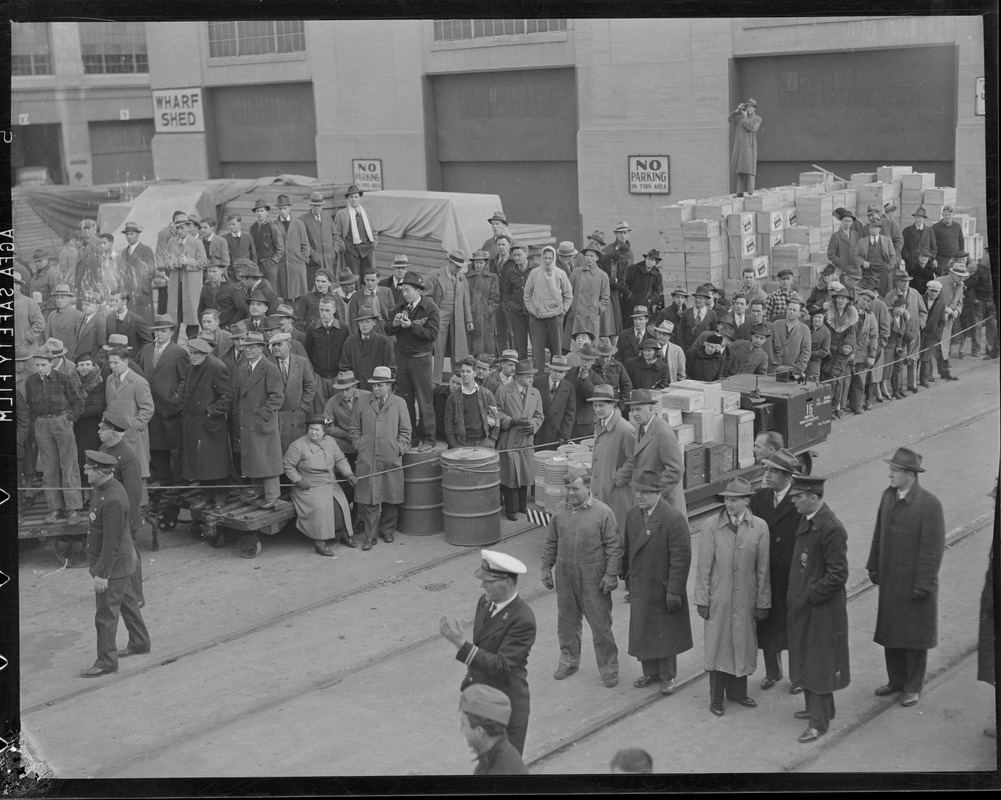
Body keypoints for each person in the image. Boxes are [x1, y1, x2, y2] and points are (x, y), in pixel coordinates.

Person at [866, 447, 945, 708]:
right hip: (891, 581)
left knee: (913, 638)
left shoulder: (929, 504)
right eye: (891, 469)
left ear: (910, 475)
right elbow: (879, 533)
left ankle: (912, 687)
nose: (890, 474)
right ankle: (896, 681)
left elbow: (932, 550)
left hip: (914, 585)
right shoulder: (888, 497)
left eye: (895, 470)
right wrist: (873, 566)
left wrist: (923, 584)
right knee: (891, 633)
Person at [440, 549, 537, 757]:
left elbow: (502, 666)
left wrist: (461, 645)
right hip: (483, 704)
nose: (482, 585)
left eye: (489, 581)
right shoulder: (484, 603)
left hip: (506, 711)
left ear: (508, 582)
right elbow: (483, 646)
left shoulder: (523, 619)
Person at [694, 477, 770, 716]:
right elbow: (703, 566)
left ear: (746, 501)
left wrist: (763, 602)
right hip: (720, 599)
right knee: (719, 647)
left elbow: (763, 569)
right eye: (727, 499)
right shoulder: (710, 526)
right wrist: (702, 600)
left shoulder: (759, 527)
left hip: (746, 599)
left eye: (735, 500)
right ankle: (716, 699)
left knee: (742, 644)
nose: (729, 504)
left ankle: (738, 694)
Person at [541, 469, 623, 688]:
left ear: (588, 488)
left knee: (600, 624)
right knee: (566, 622)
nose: (570, 493)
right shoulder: (559, 511)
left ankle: (609, 668)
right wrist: (545, 567)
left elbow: (614, 547)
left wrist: (611, 574)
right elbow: (550, 542)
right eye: (567, 489)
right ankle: (569, 661)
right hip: (565, 573)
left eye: (575, 489)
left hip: (593, 576)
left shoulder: (602, 512)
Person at [786, 474, 851, 743]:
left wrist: (811, 594)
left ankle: (819, 722)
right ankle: (816, 708)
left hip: (822, 610)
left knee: (820, 664)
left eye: (798, 496)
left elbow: (838, 574)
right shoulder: (809, 520)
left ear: (814, 497)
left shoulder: (831, 527)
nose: (794, 501)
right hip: (806, 606)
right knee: (806, 658)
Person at [78, 450, 151, 678]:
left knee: (105, 615)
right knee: (128, 602)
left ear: (99, 472)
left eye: (88, 469)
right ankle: (140, 641)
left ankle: (107, 661)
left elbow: (112, 542)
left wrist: (102, 574)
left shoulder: (112, 498)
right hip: (122, 564)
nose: (85, 471)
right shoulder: (106, 488)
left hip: (114, 566)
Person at [622, 478, 693, 695]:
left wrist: (674, 590)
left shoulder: (673, 518)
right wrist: (625, 576)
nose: (639, 496)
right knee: (643, 630)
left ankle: (667, 676)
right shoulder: (633, 514)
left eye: (645, 492)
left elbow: (681, 559)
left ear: (658, 493)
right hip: (641, 585)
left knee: (665, 632)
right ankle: (650, 672)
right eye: (637, 492)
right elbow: (628, 547)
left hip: (662, 587)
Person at [750, 449, 803, 695]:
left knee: (794, 628)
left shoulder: (800, 499)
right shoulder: (759, 498)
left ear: (787, 475)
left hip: (790, 576)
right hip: (765, 574)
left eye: (773, 471)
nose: (767, 474)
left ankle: (799, 676)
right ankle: (773, 672)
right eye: (766, 469)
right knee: (768, 625)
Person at [349, 365, 411, 550]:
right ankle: (370, 536)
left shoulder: (399, 403)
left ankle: (387, 530)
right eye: (374, 385)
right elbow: (353, 429)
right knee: (369, 499)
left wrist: (398, 449)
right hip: (367, 459)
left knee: (390, 496)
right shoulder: (362, 402)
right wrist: (360, 445)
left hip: (390, 457)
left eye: (380, 385)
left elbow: (406, 431)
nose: (376, 389)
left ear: (389, 386)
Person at [25, 345, 85, 525]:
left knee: (69, 465)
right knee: (49, 468)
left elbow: (78, 402)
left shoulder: (63, 379)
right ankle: (54, 508)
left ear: (51, 363)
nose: (40, 368)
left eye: (43, 364)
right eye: (37, 365)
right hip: (42, 425)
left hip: (62, 422)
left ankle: (73, 509)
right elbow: (30, 406)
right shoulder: (30, 382)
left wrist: (69, 420)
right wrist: (38, 422)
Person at [283, 416, 357, 556]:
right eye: (311, 429)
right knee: (321, 508)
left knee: (342, 504)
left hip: (329, 482)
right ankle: (320, 543)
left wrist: (348, 474)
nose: (313, 432)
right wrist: (298, 480)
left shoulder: (330, 441)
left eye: (317, 430)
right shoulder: (298, 445)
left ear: (324, 431)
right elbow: (288, 465)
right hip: (308, 486)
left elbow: (340, 459)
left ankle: (344, 535)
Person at [385, 271, 439, 452]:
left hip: (421, 361)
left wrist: (412, 326)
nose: (405, 293)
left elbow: (432, 335)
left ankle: (429, 439)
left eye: (407, 290)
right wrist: (395, 324)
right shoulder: (401, 307)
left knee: (425, 400)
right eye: (403, 290)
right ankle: (412, 438)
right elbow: (386, 328)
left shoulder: (430, 308)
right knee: (405, 401)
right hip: (403, 361)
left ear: (418, 290)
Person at [97, 414, 148, 605]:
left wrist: (123, 518)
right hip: (108, 514)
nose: (99, 432)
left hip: (124, 516)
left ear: (115, 433)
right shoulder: (103, 450)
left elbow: (134, 494)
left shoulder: (127, 457)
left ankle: (136, 596)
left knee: (130, 555)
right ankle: (118, 592)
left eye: (103, 429)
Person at [231, 332, 285, 509]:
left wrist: (263, 416)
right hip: (249, 423)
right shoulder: (243, 368)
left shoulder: (269, 368)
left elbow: (277, 397)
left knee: (267, 461)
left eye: (252, 347)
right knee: (255, 459)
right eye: (246, 347)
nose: (247, 350)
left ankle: (272, 496)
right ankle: (258, 493)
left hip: (262, 423)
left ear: (261, 348)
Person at [179, 337, 233, 508]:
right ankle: (206, 495)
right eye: (191, 353)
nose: (192, 356)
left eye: (196, 353)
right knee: (200, 463)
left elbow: (227, 397)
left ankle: (220, 497)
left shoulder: (216, 367)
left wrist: (211, 412)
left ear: (205, 353)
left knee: (215, 462)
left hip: (211, 425)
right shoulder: (190, 368)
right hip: (194, 424)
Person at [138, 314, 189, 487]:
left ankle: (177, 482)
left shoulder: (179, 352)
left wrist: (174, 401)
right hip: (150, 405)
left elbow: (184, 380)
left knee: (172, 445)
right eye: (157, 330)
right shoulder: (146, 349)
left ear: (171, 332)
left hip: (168, 407)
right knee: (155, 445)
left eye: (164, 331)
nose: (160, 334)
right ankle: (163, 479)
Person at [495, 360, 544, 520]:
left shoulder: (535, 393)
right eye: (529, 377)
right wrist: (511, 421)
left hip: (526, 441)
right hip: (509, 440)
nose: (532, 380)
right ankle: (510, 510)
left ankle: (522, 506)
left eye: (532, 377)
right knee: (510, 476)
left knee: (525, 474)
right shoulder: (503, 391)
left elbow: (539, 415)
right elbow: (496, 413)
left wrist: (533, 426)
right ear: (519, 377)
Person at [627, 388, 687, 517]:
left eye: (639, 409)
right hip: (649, 502)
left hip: (664, 502)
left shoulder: (663, 432)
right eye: (632, 410)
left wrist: (654, 493)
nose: (635, 414)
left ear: (650, 409)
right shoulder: (640, 429)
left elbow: (676, 470)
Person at [588, 385, 635, 533]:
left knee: (617, 532)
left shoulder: (624, 428)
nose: (597, 409)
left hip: (616, 493)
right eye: (595, 406)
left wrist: (616, 478)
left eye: (601, 405)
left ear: (612, 404)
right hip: (600, 490)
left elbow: (633, 460)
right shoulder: (599, 425)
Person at [455, 685, 528, 776]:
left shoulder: (500, 770)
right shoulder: (495, 752)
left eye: (463, 725)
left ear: (479, 731)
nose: (461, 730)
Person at [425, 250, 474, 384]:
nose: (459, 269)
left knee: (457, 349)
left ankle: (457, 379)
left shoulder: (461, 277)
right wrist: (435, 310)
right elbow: (427, 296)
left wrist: (469, 320)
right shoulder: (434, 275)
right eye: (457, 266)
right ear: (450, 263)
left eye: (460, 267)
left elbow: (466, 300)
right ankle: (436, 380)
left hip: (457, 317)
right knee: (439, 348)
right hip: (440, 315)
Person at [524, 244, 573, 372]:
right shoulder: (534, 273)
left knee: (557, 349)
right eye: (545, 258)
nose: (547, 260)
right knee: (537, 350)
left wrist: (562, 311)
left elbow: (568, 295)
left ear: (554, 258)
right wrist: (532, 309)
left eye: (550, 258)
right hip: (537, 317)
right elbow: (527, 294)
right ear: (541, 258)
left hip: (555, 317)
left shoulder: (560, 273)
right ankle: (538, 376)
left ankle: (556, 374)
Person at [269, 332, 317, 455]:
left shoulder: (301, 362)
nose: (275, 348)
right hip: (276, 415)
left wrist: (303, 408)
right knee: (278, 450)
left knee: (296, 449)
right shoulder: (267, 364)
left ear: (289, 346)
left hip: (297, 415)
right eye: (273, 345)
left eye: (279, 344)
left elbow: (310, 385)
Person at [163, 215, 209, 339]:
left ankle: (192, 345)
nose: (179, 231)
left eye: (182, 228)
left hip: (191, 285)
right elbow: (165, 258)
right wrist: (171, 264)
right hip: (175, 285)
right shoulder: (172, 242)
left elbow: (204, 262)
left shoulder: (197, 243)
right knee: (174, 317)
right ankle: (172, 345)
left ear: (189, 227)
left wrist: (188, 261)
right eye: (177, 228)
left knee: (192, 316)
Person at [564, 242, 610, 357]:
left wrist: (596, 309)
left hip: (591, 318)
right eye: (587, 255)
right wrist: (571, 307)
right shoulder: (576, 272)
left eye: (592, 256)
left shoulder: (602, 275)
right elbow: (567, 292)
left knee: (589, 351)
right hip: (575, 316)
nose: (589, 258)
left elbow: (605, 297)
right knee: (573, 349)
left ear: (597, 258)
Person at [304, 296, 349, 414]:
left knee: (339, 408)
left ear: (334, 310)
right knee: (320, 409)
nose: (324, 313)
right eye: (321, 310)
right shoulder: (312, 329)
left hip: (338, 375)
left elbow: (347, 352)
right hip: (319, 376)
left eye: (327, 310)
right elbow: (307, 353)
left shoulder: (344, 329)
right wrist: (313, 373)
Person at [444, 357, 499, 450]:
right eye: (462, 371)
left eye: (468, 371)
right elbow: (448, 424)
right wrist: (453, 445)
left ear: (475, 373)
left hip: (484, 443)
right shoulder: (453, 397)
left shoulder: (486, 394)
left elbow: (496, 418)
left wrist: (492, 440)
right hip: (462, 444)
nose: (465, 374)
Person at [338, 304, 395, 391]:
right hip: (356, 391)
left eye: (367, 321)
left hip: (377, 391)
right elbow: (344, 368)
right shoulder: (350, 342)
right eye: (361, 322)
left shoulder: (384, 343)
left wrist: (381, 389)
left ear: (374, 322)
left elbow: (391, 370)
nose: (364, 325)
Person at [824, 287, 858, 418]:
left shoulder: (851, 316)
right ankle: (826, 409)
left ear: (848, 301)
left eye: (843, 298)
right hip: (829, 352)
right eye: (838, 298)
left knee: (839, 382)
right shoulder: (829, 313)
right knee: (828, 380)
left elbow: (852, 336)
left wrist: (852, 351)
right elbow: (825, 332)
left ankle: (836, 407)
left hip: (843, 353)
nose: (840, 300)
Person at [299, 190, 343, 290]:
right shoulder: (303, 219)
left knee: (329, 287)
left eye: (319, 205)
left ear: (322, 206)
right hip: (313, 262)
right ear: (310, 205)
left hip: (328, 260)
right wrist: (313, 254)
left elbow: (335, 235)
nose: (317, 208)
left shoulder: (327, 217)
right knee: (314, 287)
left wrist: (334, 251)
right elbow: (303, 241)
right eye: (315, 205)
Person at [73, 354, 107, 480]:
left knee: (90, 458)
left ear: (93, 366)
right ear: (76, 368)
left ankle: (91, 493)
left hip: (91, 427)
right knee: (78, 458)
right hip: (76, 427)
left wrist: (74, 413)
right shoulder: (72, 381)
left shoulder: (98, 382)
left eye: (88, 364)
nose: (85, 368)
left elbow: (96, 407)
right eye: (81, 365)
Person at [334, 184, 378, 278]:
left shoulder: (367, 212)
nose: (354, 199)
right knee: (353, 276)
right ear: (348, 199)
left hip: (367, 248)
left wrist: (374, 242)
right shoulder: (342, 214)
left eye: (356, 197)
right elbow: (337, 234)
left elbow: (374, 231)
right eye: (351, 197)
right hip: (351, 250)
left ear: (360, 198)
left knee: (369, 275)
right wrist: (343, 247)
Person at [533, 355, 576, 449]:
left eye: (561, 372)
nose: (557, 374)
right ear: (550, 370)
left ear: (565, 373)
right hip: (538, 432)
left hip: (556, 435)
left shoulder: (569, 388)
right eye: (555, 370)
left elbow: (570, 414)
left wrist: (564, 435)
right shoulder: (537, 382)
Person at [935, 260, 968, 379]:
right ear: (952, 273)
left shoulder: (960, 286)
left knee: (945, 345)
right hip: (935, 319)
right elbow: (931, 300)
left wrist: (956, 311)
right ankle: (926, 375)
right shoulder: (939, 282)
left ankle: (944, 372)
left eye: (963, 277)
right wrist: (944, 309)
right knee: (932, 346)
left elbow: (960, 303)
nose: (961, 279)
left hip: (949, 320)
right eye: (959, 276)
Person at [274, 195, 311, 299]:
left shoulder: (298, 224)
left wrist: (302, 258)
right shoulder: (274, 225)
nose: (282, 211)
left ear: (290, 208)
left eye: (285, 208)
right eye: (280, 208)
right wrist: (275, 260)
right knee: (284, 295)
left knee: (300, 296)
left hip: (297, 266)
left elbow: (306, 245)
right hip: (281, 266)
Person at [499, 243, 533, 358]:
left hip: (533, 313)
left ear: (526, 254)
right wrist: (510, 306)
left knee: (536, 343)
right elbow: (507, 292)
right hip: (517, 313)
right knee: (519, 344)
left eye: (519, 255)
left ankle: (538, 371)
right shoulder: (510, 271)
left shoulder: (536, 269)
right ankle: (521, 370)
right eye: (514, 255)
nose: (517, 258)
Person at [467, 250, 500, 359]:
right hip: (471, 317)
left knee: (487, 345)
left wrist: (488, 310)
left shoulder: (492, 278)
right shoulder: (466, 278)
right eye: (476, 262)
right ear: (473, 263)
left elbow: (495, 298)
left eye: (481, 262)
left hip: (487, 318)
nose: (479, 265)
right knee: (472, 345)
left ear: (485, 263)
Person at [885, 295, 918, 399]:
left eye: (903, 307)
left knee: (898, 369)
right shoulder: (889, 318)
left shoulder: (904, 319)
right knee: (889, 370)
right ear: (893, 307)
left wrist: (901, 348)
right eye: (898, 306)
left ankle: (898, 389)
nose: (900, 309)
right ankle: (890, 390)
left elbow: (903, 334)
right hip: (889, 347)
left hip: (899, 347)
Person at [198, 262, 248, 330]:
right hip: (209, 328)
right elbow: (200, 309)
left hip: (226, 327)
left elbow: (242, 309)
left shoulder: (231, 287)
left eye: (214, 271)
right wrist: (204, 325)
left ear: (221, 271)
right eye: (209, 271)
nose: (211, 274)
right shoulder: (205, 288)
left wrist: (230, 326)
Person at [855, 217, 897, 297]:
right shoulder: (862, 241)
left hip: (883, 272)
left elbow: (893, 256)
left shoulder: (887, 241)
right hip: (868, 272)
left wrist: (888, 268)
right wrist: (863, 262)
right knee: (867, 294)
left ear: (879, 229)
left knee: (883, 294)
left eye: (875, 227)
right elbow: (856, 256)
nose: (873, 229)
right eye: (871, 227)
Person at [246, 202, 283, 293]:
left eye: (262, 211)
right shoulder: (253, 227)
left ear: (266, 212)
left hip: (269, 265)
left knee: (270, 291)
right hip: (256, 265)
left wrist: (273, 261)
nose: (259, 213)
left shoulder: (272, 226)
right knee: (257, 291)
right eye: (257, 211)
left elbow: (280, 248)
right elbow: (250, 246)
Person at [771, 294, 811, 376]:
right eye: (789, 309)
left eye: (794, 310)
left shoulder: (804, 329)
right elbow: (769, 346)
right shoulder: (775, 325)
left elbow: (806, 352)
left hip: (793, 372)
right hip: (774, 370)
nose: (791, 312)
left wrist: (798, 370)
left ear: (800, 313)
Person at [728, 97, 761, 195]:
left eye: (751, 107)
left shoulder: (757, 118)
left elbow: (752, 128)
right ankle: (739, 193)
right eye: (748, 107)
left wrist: (744, 117)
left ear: (754, 109)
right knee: (740, 170)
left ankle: (751, 193)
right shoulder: (740, 117)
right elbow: (730, 120)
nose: (749, 109)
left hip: (750, 148)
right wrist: (737, 110)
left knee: (750, 171)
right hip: (740, 148)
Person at [348, 268, 395, 336]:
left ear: (378, 280)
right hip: (365, 327)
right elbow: (353, 319)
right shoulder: (356, 296)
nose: (370, 283)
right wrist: (356, 336)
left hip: (383, 326)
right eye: (367, 280)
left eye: (373, 280)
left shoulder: (387, 292)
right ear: (364, 279)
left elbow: (392, 312)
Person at [919, 279, 948, 386]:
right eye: (932, 291)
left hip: (931, 335)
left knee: (926, 357)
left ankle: (924, 379)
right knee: (916, 357)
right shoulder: (920, 299)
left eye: (936, 292)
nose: (934, 293)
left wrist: (937, 335)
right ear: (928, 290)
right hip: (919, 333)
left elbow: (942, 322)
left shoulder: (940, 304)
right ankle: (912, 380)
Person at [622, 249, 664, 321]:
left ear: (656, 262)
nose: (649, 262)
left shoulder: (656, 276)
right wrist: (629, 294)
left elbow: (657, 290)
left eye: (652, 260)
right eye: (648, 259)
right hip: (629, 303)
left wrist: (650, 300)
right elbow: (624, 282)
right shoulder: (634, 269)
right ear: (645, 259)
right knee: (628, 324)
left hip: (645, 305)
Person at [43, 284, 84, 358]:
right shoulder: (52, 315)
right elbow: (48, 337)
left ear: (69, 299)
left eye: (63, 297)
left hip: (71, 357)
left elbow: (81, 340)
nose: (59, 300)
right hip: (54, 356)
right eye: (57, 297)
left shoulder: (78, 315)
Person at [13, 268, 45, 356]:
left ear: (18, 286)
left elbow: (40, 323)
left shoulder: (29, 302)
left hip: (26, 349)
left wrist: (28, 338)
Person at [677, 285, 717, 352]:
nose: (697, 300)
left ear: (706, 300)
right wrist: (683, 349)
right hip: (688, 349)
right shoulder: (687, 313)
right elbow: (681, 333)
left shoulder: (712, 314)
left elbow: (714, 333)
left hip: (705, 350)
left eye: (700, 298)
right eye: (696, 298)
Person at [224, 212, 258, 281]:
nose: (231, 226)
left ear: (240, 224)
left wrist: (252, 269)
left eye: (233, 224)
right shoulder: (224, 239)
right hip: (231, 273)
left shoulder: (248, 237)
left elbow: (254, 256)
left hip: (246, 272)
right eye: (229, 224)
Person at [931, 205, 964, 270]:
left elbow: (961, 241)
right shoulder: (935, 227)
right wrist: (933, 259)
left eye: (949, 215)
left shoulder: (957, 226)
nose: (948, 217)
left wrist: (961, 256)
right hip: (941, 259)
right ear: (942, 215)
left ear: (953, 215)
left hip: (955, 258)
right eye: (946, 215)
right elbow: (931, 244)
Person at [827, 209, 860, 274]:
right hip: (842, 269)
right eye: (845, 221)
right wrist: (840, 263)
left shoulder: (855, 234)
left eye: (849, 221)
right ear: (841, 221)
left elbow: (858, 250)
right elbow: (831, 254)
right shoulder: (836, 236)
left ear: (852, 223)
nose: (847, 223)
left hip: (854, 268)